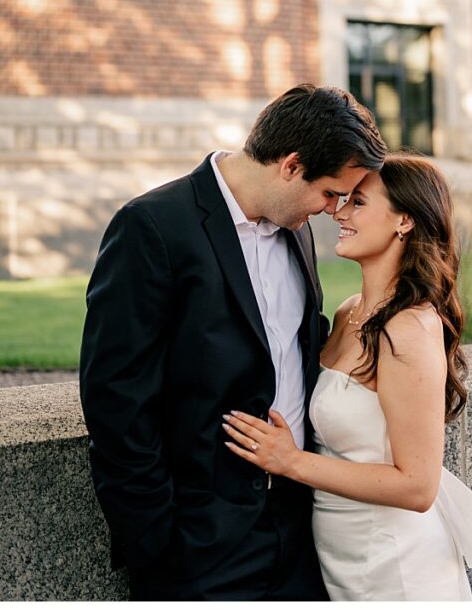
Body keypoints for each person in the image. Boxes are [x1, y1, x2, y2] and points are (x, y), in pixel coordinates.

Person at [79, 84, 387, 600]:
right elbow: (116, 400)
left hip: (298, 530)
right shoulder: (153, 226)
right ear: (291, 165)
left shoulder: (297, 228)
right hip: (197, 546)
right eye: (331, 192)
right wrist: (157, 544)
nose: (334, 209)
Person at [222, 152, 472, 600]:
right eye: (343, 200)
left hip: (397, 568)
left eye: (358, 203)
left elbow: (418, 486)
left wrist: (291, 461)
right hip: (339, 559)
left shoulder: (407, 330)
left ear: (404, 221)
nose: (340, 212)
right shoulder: (350, 311)